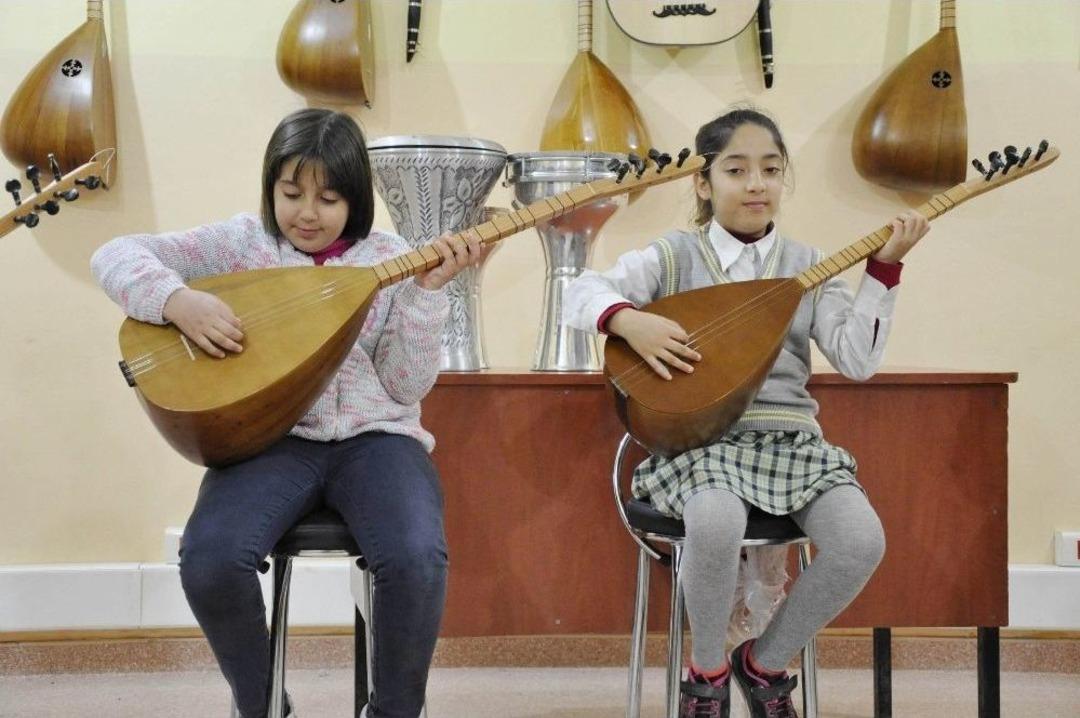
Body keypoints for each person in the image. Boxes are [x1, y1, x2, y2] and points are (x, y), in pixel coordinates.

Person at [91, 108, 482, 718]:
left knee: (415, 556)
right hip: (269, 441)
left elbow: (406, 387)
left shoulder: (395, 258)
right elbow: (115, 253)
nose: (307, 213)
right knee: (210, 560)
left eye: (328, 198)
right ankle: (266, 702)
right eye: (291, 192)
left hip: (376, 440)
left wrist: (429, 296)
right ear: (270, 186)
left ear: (355, 199)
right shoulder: (241, 245)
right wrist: (178, 301)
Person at [562, 107, 929, 718]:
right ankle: (705, 671)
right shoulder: (673, 256)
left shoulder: (810, 268)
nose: (756, 183)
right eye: (736, 170)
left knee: (861, 540)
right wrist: (628, 319)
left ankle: (763, 663)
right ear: (703, 183)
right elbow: (582, 289)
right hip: (702, 444)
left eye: (771, 169)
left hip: (791, 444)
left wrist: (884, 269)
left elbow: (858, 360)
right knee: (713, 520)